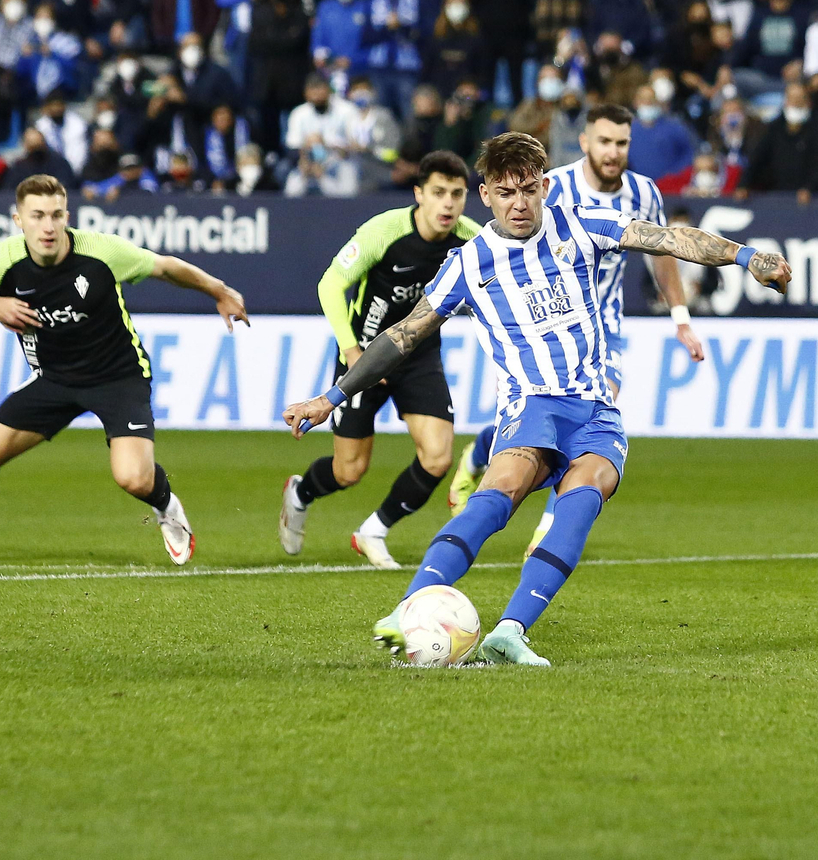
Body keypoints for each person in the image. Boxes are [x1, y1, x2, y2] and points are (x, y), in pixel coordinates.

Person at [282, 132, 792, 666]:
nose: (519, 203)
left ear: (545, 186)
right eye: (505, 193)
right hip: (530, 406)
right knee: (501, 490)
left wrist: (746, 256)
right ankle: (407, 608)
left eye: (528, 190)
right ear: (486, 196)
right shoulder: (469, 262)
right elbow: (403, 336)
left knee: (585, 495)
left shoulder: (582, 224)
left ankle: (510, 631)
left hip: (594, 407)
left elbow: (667, 238)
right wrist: (330, 397)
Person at [0, 174, 251, 568]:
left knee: (133, 478)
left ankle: (167, 507)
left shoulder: (101, 252)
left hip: (118, 376)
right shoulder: (1, 260)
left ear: (68, 216)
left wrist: (219, 291)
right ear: (18, 220)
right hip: (55, 379)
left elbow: (165, 267)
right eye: (37, 216)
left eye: (56, 215)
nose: (47, 226)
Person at [448, 104, 703, 551]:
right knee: (535, 418)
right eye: (604, 141)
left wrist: (680, 318)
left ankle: (549, 529)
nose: (613, 151)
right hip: (545, 322)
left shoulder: (644, 192)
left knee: (592, 412)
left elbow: (661, 252)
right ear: (585, 142)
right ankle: (482, 451)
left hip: (604, 324)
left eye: (621, 143)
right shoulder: (552, 186)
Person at [278, 151, 481, 570]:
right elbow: (331, 285)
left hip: (420, 357)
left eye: (456, 194)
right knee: (349, 470)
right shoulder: (384, 230)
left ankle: (373, 530)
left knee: (438, 457)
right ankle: (300, 493)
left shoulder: (473, 241)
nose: (448, 204)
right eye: (438, 192)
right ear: (418, 194)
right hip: (366, 355)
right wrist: (351, 349)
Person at [739, 82, 818, 202]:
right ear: (785, 101)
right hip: (778, 194)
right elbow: (757, 158)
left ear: (808, 102)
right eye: (792, 99)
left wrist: (809, 188)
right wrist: (743, 185)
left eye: (800, 99)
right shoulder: (774, 128)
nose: (796, 103)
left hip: (812, 197)